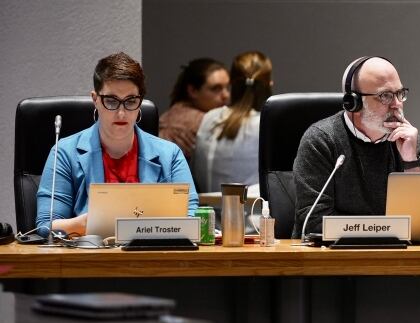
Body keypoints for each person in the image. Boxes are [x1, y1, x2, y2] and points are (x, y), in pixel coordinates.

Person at [36, 52, 199, 236]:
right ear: (95, 99)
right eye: (111, 101)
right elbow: (45, 225)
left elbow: (192, 218)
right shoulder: (65, 152)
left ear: (140, 101)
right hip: (89, 260)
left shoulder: (170, 154)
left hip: (152, 259)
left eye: (130, 101)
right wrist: (85, 224)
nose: (121, 113)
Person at [292, 56, 420, 238]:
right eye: (385, 96)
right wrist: (387, 231)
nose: (397, 104)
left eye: (400, 93)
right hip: (331, 259)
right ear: (353, 103)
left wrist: (410, 163)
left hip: (396, 260)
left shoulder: (411, 144)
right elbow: (313, 222)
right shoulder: (322, 140)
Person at [192, 51, 273, 192]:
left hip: (207, 211)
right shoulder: (266, 124)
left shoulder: (209, 118)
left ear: (231, 84)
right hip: (253, 211)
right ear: (269, 85)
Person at [158, 58, 230, 161]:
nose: (226, 95)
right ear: (192, 91)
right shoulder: (203, 121)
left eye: (227, 87)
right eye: (216, 88)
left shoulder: (172, 112)